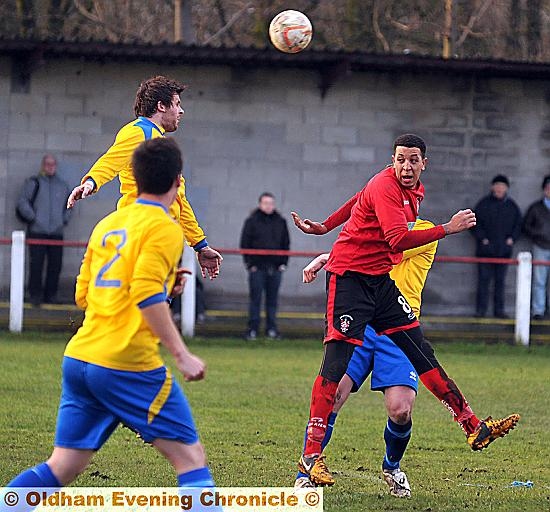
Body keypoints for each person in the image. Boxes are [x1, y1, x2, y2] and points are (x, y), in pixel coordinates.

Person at [290, 134, 520, 486]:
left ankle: (473, 426)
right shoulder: (388, 187)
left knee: (420, 351)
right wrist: (448, 228)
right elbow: (397, 238)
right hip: (350, 280)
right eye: (401, 159)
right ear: (392, 160)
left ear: (423, 163)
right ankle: (310, 459)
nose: (407, 166)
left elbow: (357, 200)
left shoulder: (408, 190)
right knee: (335, 368)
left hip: (379, 282)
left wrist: (324, 226)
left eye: (413, 160)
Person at [3, 138, 217, 500]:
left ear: (134, 177)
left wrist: (162, 290)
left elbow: (83, 295)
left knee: (62, 467)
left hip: (82, 357)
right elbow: (145, 294)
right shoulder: (165, 227)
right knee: (191, 460)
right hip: (126, 362)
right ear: (178, 182)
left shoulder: (109, 223)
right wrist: (181, 354)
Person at [294, 218, 438, 497]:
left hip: (399, 330)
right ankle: (306, 471)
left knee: (400, 410)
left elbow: (388, 250)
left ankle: (392, 466)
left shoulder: (424, 231)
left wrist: (327, 256)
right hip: (362, 325)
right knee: (332, 395)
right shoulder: (372, 224)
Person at [66, 75, 222, 280]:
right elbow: (112, 159)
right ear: (161, 106)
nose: (181, 111)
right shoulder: (138, 132)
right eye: (176, 104)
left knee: (149, 302)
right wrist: (91, 182)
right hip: (142, 232)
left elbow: (179, 201)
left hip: (159, 233)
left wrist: (200, 245)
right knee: (144, 302)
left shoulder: (161, 143)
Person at [16, 154, 72, 306]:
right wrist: (33, 217)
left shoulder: (62, 185)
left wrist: (63, 220)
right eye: (47, 164)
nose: (50, 167)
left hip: (56, 232)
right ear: (43, 165)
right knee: (36, 265)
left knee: (55, 265)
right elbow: (22, 201)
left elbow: (70, 204)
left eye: (53, 164)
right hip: (37, 231)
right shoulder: (33, 183)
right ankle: (35, 296)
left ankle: (51, 295)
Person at [240, 192, 290, 340]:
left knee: (272, 300)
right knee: (255, 299)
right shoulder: (251, 221)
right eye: (266, 203)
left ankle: (272, 330)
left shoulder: (281, 221)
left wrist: (283, 263)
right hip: (257, 268)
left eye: (271, 203)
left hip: (275, 268)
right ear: (260, 204)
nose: (269, 206)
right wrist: (250, 264)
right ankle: (252, 330)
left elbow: (286, 243)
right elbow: (244, 243)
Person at [471, 175, 522, 318]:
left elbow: (519, 225)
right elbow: (474, 223)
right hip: (485, 251)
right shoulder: (483, 204)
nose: (499, 188)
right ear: (492, 187)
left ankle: (499, 311)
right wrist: (483, 239)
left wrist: (512, 239)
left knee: (500, 283)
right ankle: (480, 311)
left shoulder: (512, 206)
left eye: (502, 186)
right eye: (497, 185)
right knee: (483, 282)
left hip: (503, 252)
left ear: (506, 188)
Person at [523, 174, 550, 319]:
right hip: (541, 246)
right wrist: (538, 234)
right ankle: (538, 311)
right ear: (544, 189)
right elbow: (526, 226)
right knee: (539, 280)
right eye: (548, 188)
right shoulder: (536, 208)